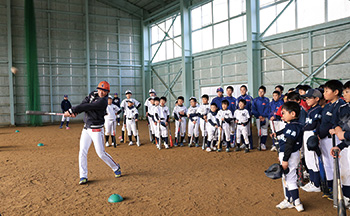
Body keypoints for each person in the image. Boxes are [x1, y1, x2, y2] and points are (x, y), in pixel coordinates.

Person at [64, 81, 121, 185]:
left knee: (101, 153)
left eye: (104, 91)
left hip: (96, 129)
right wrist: (75, 112)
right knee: (82, 152)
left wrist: (71, 110)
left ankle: (116, 167)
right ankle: (83, 176)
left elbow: (88, 107)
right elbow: (83, 104)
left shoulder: (103, 102)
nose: (101, 92)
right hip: (86, 128)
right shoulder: (92, 94)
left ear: (107, 92)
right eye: (100, 89)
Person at [316, 80, 345, 199]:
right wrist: (318, 134)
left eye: (327, 91)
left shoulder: (340, 105)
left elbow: (333, 123)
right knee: (327, 163)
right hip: (323, 138)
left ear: (336, 92)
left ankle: (341, 190)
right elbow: (323, 122)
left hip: (334, 139)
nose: (324, 93)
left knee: (337, 165)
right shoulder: (327, 105)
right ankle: (331, 188)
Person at [274, 101, 304, 212]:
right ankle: (291, 200)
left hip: (290, 155)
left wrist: (285, 159)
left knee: (289, 179)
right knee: (288, 178)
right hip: (290, 154)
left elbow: (289, 144)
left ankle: (295, 202)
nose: (282, 115)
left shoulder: (293, 127)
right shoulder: (294, 125)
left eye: (284, 113)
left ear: (293, 114)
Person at [330, 81, 350, 208]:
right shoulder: (344, 108)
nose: (344, 94)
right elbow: (335, 122)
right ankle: (347, 197)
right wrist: (341, 145)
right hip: (347, 145)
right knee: (346, 172)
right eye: (344, 92)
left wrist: (344, 135)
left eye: (347, 92)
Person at [300, 89, 323, 193]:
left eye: (309, 98)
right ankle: (312, 181)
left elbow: (314, 125)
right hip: (307, 133)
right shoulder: (310, 110)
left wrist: (302, 128)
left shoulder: (318, 109)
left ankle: (317, 184)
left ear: (317, 99)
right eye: (306, 98)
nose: (307, 100)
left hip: (312, 134)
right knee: (308, 160)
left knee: (314, 160)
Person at [252, 85, 270, 150]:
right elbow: (254, 109)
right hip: (258, 118)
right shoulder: (255, 100)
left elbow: (267, 108)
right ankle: (259, 144)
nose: (260, 93)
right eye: (259, 91)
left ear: (264, 92)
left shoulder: (266, 100)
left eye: (262, 91)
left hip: (265, 118)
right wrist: (258, 116)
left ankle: (263, 144)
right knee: (259, 132)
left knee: (264, 131)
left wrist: (263, 116)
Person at [237, 85, 254, 149]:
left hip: (247, 118)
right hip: (240, 118)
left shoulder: (250, 98)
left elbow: (252, 107)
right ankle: (244, 143)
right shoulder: (238, 99)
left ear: (246, 90)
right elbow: (237, 108)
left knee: (248, 132)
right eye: (241, 90)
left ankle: (250, 145)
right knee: (241, 131)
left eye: (244, 89)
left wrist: (251, 114)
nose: (242, 91)